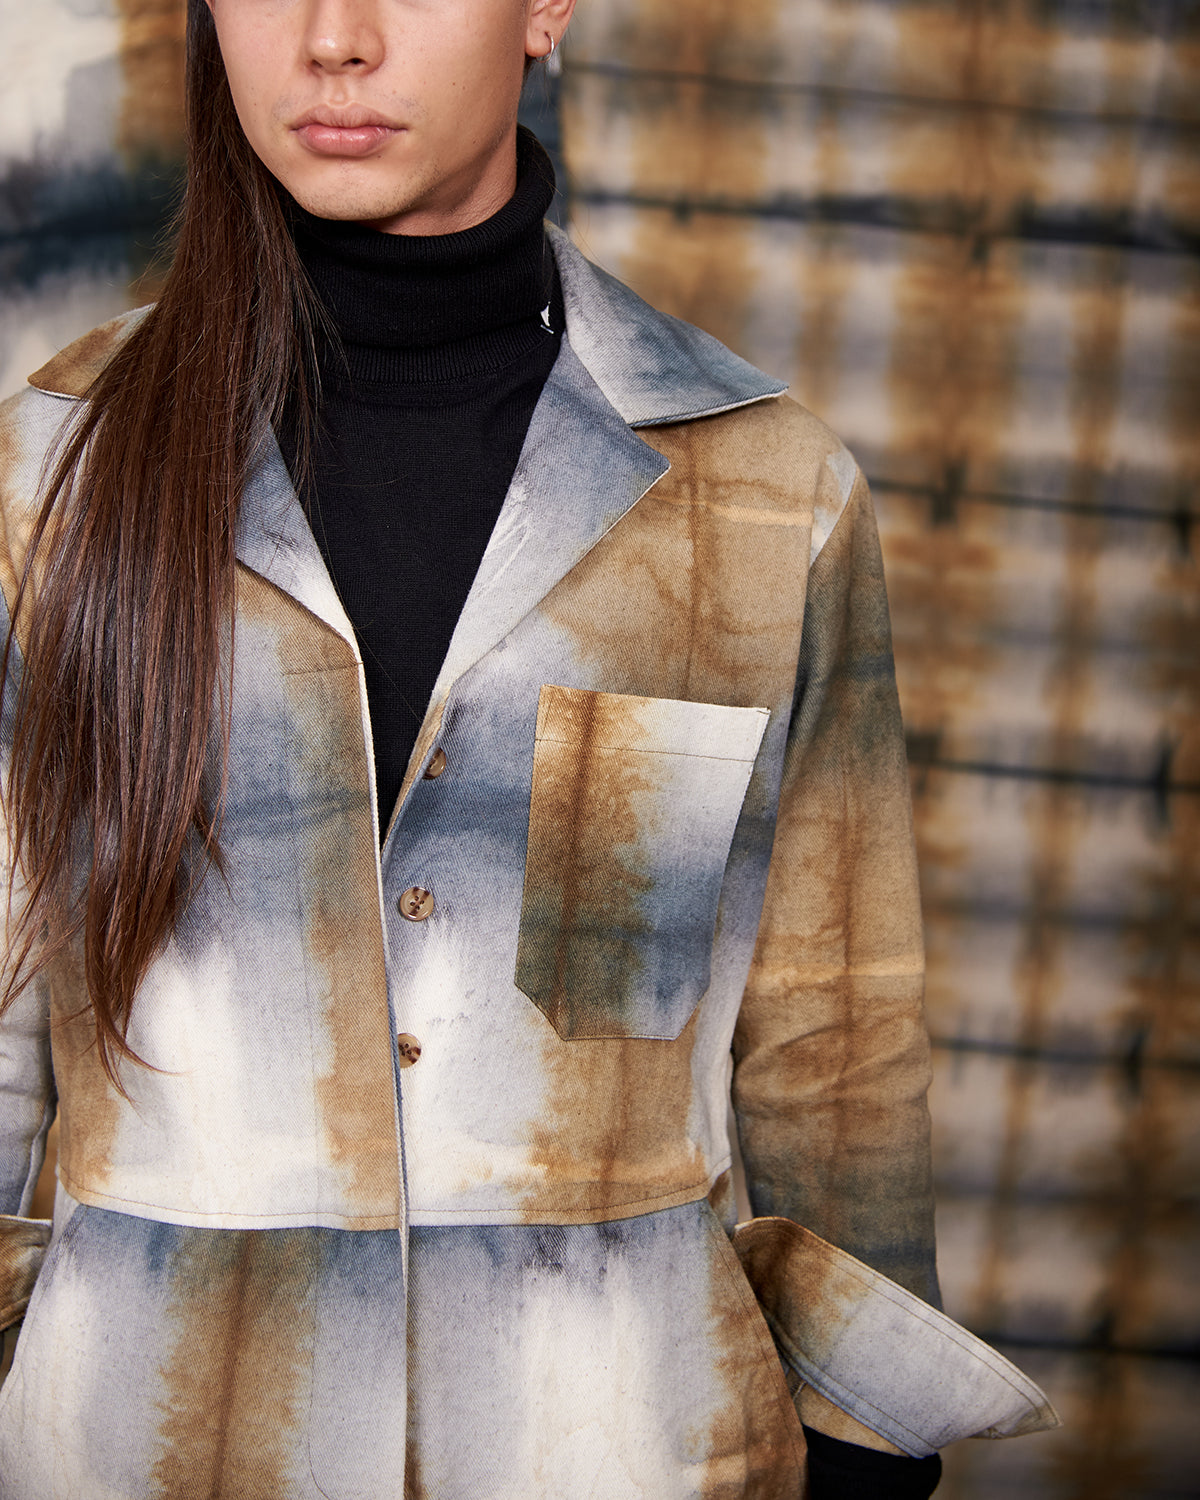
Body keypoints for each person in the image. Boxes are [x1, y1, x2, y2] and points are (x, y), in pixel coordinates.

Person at [0, 1, 1057, 1495]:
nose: (335, 38)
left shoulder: (756, 495)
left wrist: (868, 1446)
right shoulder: (50, 478)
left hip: (612, 1437)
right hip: (144, 1442)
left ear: (547, 6)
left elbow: (834, 1037)